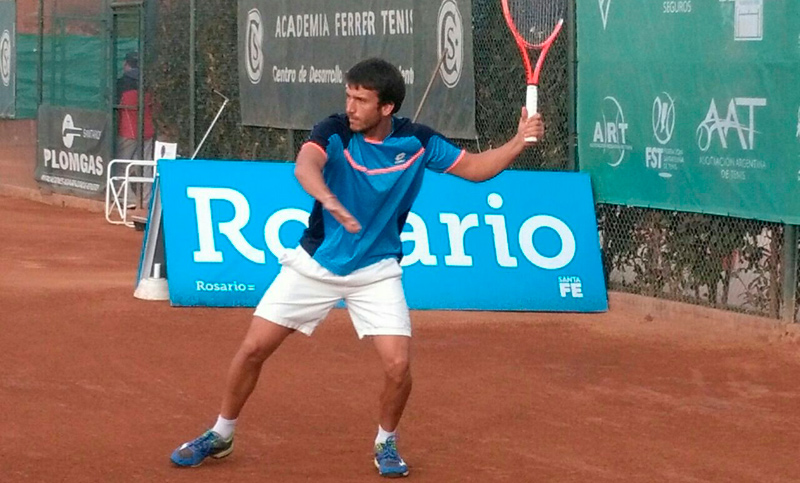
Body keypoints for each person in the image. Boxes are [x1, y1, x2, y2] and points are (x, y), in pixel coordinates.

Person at [169, 58, 545, 478]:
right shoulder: (334, 131)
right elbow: (305, 166)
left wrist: (517, 140)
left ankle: (386, 441)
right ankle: (221, 433)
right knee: (254, 348)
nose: (350, 106)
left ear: (386, 108)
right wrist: (329, 200)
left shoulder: (419, 142)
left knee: (398, 365)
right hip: (314, 263)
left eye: (361, 100)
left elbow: (475, 170)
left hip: (376, 270)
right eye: (348, 96)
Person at [115, 51, 155, 207]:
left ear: (126, 64)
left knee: (121, 165)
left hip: (128, 131)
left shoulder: (121, 83)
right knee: (145, 166)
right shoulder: (148, 82)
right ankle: (146, 201)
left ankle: (127, 200)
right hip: (148, 130)